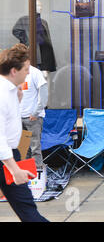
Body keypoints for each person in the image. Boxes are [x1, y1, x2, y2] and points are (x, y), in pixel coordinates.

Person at [0, 44, 48, 222]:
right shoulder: (2, 94)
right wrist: (14, 169)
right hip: (5, 156)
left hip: (9, 154)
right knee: (27, 209)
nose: (28, 73)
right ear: (14, 71)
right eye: (26, 69)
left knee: (27, 208)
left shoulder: (12, 91)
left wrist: (18, 98)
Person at [20, 65, 48, 170]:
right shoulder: (15, 71)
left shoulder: (35, 72)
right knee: (22, 150)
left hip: (33, 118)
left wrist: (36, 113)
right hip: (19, 117)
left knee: (34, 148)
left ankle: (36, 177)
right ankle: (25, 177)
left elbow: (44, 93)